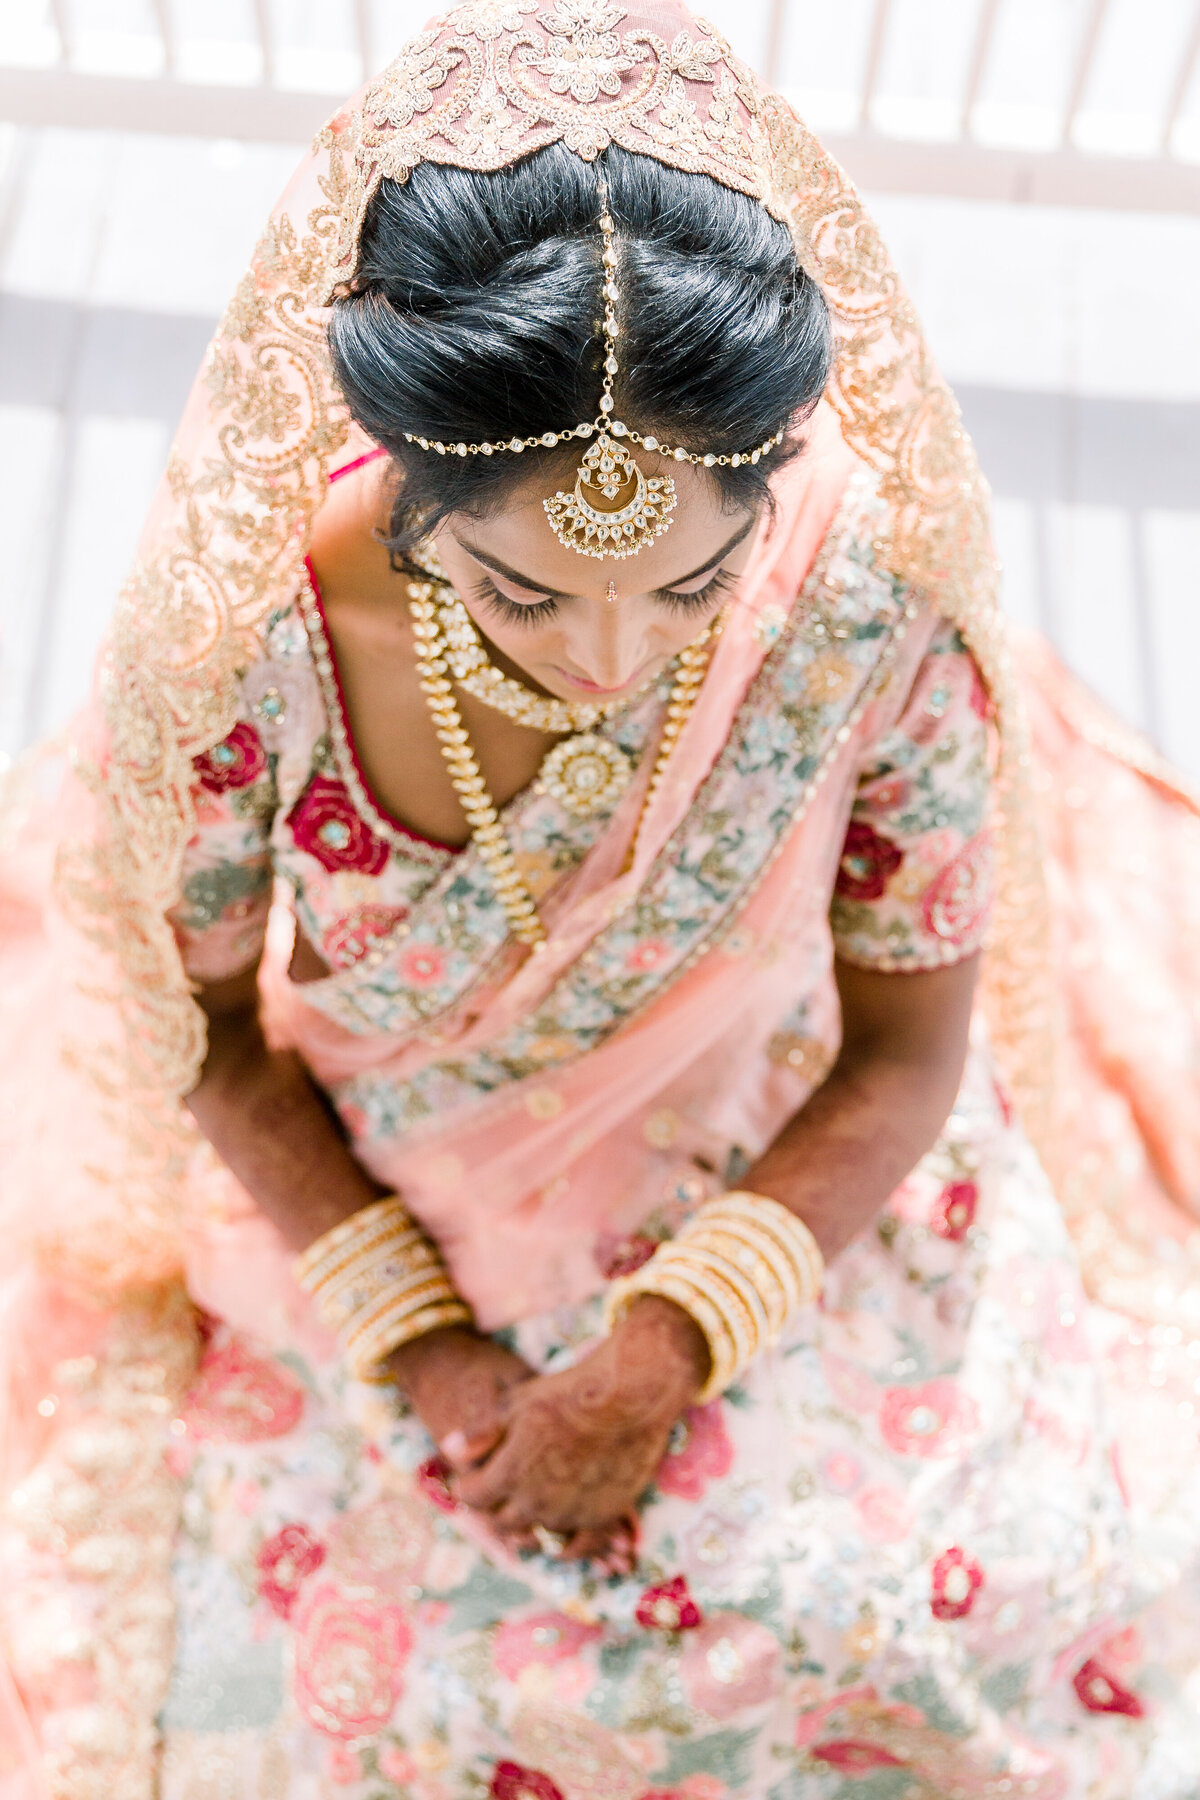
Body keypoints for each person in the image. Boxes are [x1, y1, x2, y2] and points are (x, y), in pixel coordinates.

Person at [2, 3, 1200, 1795]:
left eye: (693, 589)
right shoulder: (248, 653)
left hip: (771, 1148)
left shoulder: (871, 603)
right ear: (404, 494)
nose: (616, 662)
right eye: (525, 597)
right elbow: (216, 1047)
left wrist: (665, 1349)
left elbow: (902, 1054)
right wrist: (420, 1342)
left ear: (775, 483)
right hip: (386, 1193)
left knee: (912, 1604)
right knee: (420, 1692)